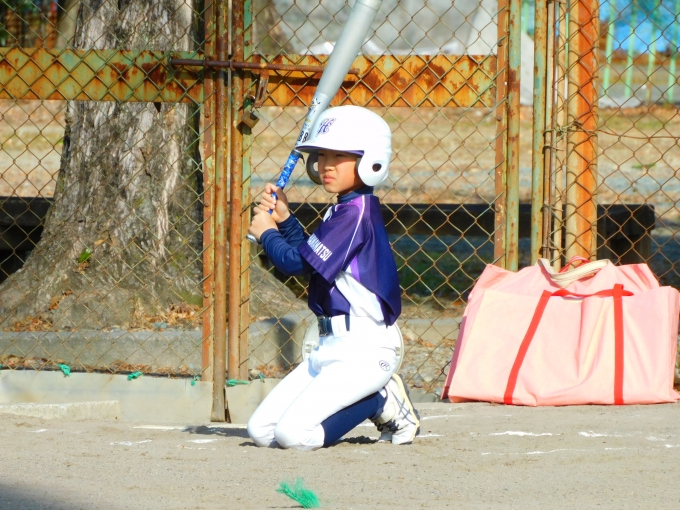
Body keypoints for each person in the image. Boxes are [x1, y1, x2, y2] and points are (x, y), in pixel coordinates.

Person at [246, 105, 420, 451]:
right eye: (323, 155)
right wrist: (285, 219)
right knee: (261, 431)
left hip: (365, 350)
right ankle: (375, 398)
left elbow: (295, 264)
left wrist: (267, 233)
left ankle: (381, 400)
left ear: (371, 160)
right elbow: (312, 259)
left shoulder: (355, 215)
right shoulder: (342, 210)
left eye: (340, 156)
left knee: (293, 436)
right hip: (330, 348)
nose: (327, 164)